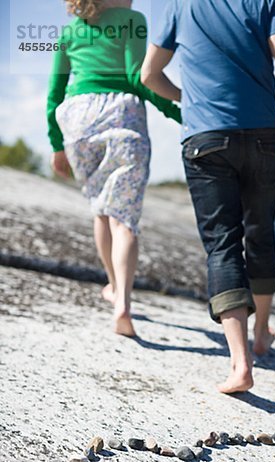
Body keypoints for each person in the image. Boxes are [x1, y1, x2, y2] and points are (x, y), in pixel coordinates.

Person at [141, 0, 275, 394]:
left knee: (222, 245)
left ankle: (241, 365)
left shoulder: (179, 6)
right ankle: (261, 333)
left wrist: (187, 99)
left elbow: (149, 74)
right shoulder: (269, 2)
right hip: (264, 137)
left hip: (204, 140)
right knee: (260, 233)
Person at [47, 0, 181, 337]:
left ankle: (112, 285)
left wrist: (56, 145)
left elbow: (54, 92)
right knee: (124, 219)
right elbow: (139, 76)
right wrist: (179, 110)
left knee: (100, 210)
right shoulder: (132, 20)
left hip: (77, 121)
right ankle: (123, 302)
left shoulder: (69, 31)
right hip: (120, 115)